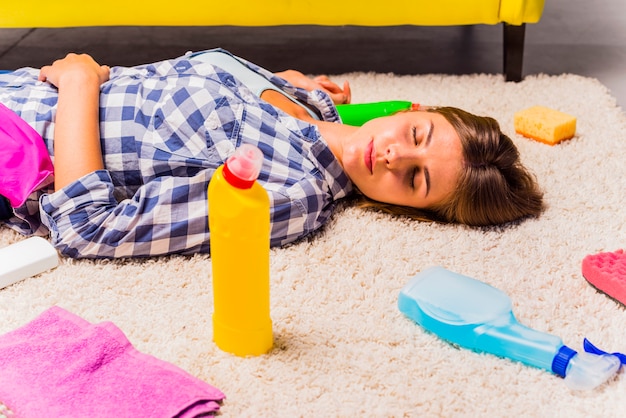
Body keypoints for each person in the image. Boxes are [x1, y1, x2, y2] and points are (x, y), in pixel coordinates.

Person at [0, 48, 544, 259]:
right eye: (419, 135)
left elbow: (89, 229)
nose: (395, 156)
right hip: (18, 83)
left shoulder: (290, 196)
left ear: (413, 211)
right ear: (414, 110)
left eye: (418, 180)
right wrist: (291, 91)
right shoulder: (306, 98)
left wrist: (78, 84)